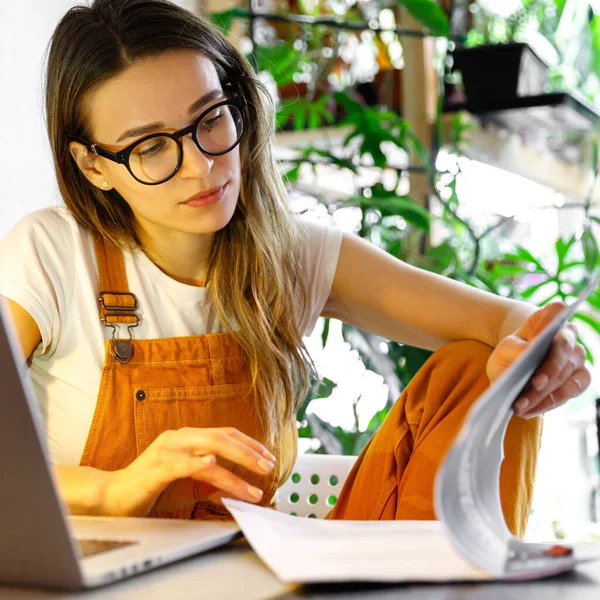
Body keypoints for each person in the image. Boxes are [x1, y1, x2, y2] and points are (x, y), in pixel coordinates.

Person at [0, 0, 589, 537]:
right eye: (150, 146)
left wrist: (544, 347)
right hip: (107, 580)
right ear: (93, 166)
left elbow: (509, 323)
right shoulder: (51, 254)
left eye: (210, 118)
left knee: (480, 370)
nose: (201, 167)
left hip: (261, 571)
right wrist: (114, 488)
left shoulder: (290, 253)